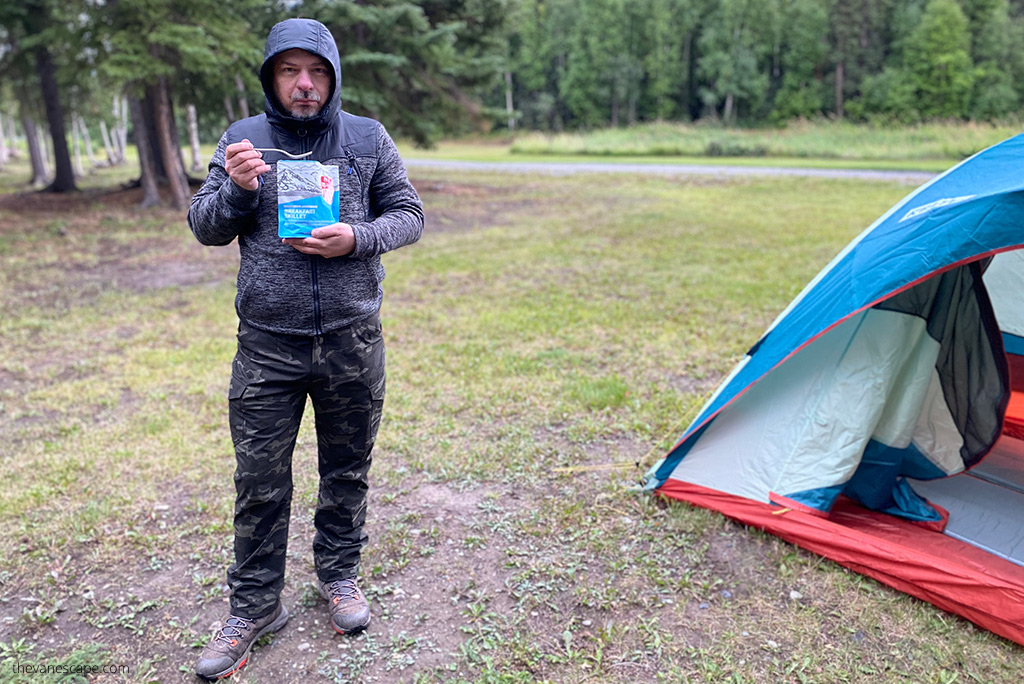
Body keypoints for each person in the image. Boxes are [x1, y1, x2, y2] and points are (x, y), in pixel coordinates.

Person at [187, 17, 423, 681]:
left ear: (333, 75)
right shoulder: (243, 139)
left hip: (352, 341)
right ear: (271, 76)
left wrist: (358, 237)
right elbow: (204, 226)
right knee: (259, 482)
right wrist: (237, 188)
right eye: (289, 70)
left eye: (316, 70)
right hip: (268, 348)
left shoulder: (367, 138)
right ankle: (256, 604)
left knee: (347, 470)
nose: (304, 83)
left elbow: (410, 214)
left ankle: (339, 574)